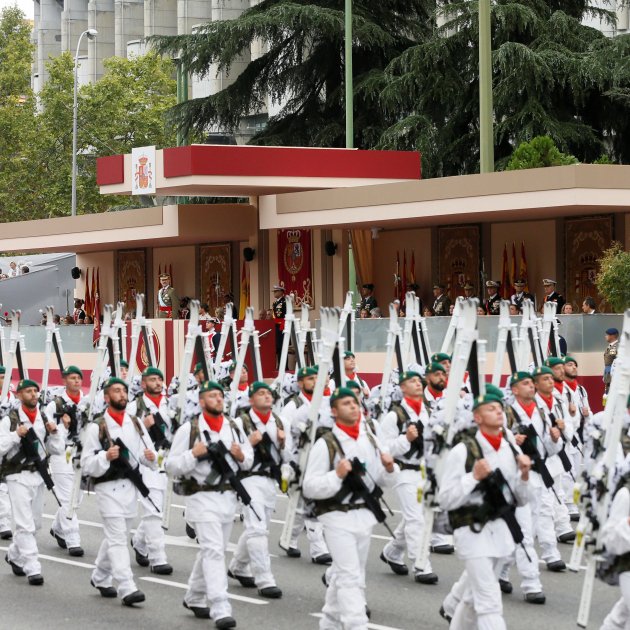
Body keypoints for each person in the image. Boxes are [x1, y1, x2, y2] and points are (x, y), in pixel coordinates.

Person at [303, 386, 398, 630]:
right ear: (334, 411)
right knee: (349, 575)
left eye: (355, 402)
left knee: (351, 571)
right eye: (346, 403)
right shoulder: (326, 444)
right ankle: (357, 624)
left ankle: (330, 622)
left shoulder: (369, 439)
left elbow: (380, 479)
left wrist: (389, 468)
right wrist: (336, 475)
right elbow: (310, 487)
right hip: (336, 515)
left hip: (364, 515)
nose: (353, 406)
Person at [438, 394, 531, 629]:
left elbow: (520, 499)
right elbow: (446, 499)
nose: (498, 411)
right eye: (491, 408)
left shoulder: (511, 449)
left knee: (471, 599)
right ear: (477, 417)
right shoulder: (462, 451)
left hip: (501, 532)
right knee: (489, 601)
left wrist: (524, 476)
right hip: (472, 531)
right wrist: (473, 477)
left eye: (500, 407)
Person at [166, 380, 253, 628]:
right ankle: (220, 607)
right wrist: (193, 454)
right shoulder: (189, 429)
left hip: (227, 498)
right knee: (214, 551)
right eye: (212, 396)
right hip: (201, 497)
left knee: (213, 550)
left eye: (220, 396)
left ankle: (194, 596)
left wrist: (240, 455)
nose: (218, 399)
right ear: (202, 401)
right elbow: (171, 466)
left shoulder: (234, 427)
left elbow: (248, 459)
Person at [81, 377, 158, 606]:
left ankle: (100, 576)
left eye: (124, 391)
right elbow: (86, 464)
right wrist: (105, 456)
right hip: (107, 487)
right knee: (117, 537)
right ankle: (127, 586)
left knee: (119, 535)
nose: (122, 394)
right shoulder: (97, 426)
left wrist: (150, 457)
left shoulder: (135, 422)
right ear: (107, 397)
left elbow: (146, 452)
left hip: (130, 486)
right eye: (116, 391)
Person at [229, 381, 294, 598]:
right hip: (248, 478)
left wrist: (283, 443)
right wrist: (249, 442)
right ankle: (265, 579)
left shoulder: (280, 422)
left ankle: (238, 566)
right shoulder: (240, 423)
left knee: (259, 526)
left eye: (268, 393)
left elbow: (287, 456)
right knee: (257, 528)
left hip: (269, 480)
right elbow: (234, 454)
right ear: (251, 399)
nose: (266, 396)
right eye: (261, 393)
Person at [0, 379, 65, 585]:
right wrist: (15, 435)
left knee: (35, 523)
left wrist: (55, 433)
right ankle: (32, 567)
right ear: (19, 395)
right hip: (17, 475)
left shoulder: (44, 418)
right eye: (28, 391)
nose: (33, 394)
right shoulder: (10, 420)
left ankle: (14, 555)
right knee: (24, 524)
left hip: (38, 475)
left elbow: (57, 450)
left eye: (35, 391)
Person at [379, 371, 438, 584]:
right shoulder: (394, 415)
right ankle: (421, 565)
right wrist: (406, 439)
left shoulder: (429, 412)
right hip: (404, 471)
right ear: (402, 387)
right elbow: (384, 448)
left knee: (416, 517)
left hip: (424, 471)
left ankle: (392, 552)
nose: (417, 384)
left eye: (418, 381)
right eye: (411, 381)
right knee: (416, 519)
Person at [280, 366, 331, 563]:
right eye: (310, 379)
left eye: (317, 378)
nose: (315, 382)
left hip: (321, 461)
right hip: (299, 461)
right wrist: (290, 464)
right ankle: (318, 549)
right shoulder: (293, 406)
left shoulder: (326, 403)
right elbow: (286, 438)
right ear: (300, 383)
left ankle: (289, 539)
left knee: (301, 506)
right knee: (311, 503)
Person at [127, 367, 175, 575]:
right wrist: (143, 427)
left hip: (166, 461)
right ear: (143, 384)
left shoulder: (172, 404)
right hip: (145, 462)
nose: (157, 383)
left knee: (158, 508)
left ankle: (139, 541)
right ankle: (158, 558)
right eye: (152, 379)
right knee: (154, 510)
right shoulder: (134, 407)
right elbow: (124, 435)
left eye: (159, 379)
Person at [44, 366, 86, 557]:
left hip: (81, 452)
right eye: (72, 377)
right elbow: (49, 431)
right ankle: (72, 539)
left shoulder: (87, 401)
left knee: (76, 498)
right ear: (64, 381)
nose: (76, 381)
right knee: (67, 497)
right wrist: (63, 427)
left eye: (78, 378)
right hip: (62, 453)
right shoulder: (55, 405)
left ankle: (58, 528)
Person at [272, 285, 287, 367]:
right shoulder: (275, 303)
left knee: (282, 346)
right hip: (276, 327)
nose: (274, 293)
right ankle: (279, 365)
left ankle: (284, 366)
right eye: (274, 291)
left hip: (282, 326)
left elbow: (285, 315)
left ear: (281, 292)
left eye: (276, 291)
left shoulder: (284, 302)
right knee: (277, 347)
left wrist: (283, 326)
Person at [604, 327, 620, 395]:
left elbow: (616, 362)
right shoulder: (611, 346)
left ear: (612, 336)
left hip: (614, 378)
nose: (605, 336)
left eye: (607, 335)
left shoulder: (615, 347)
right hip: (609, 377)